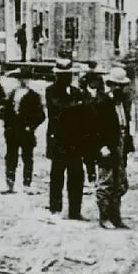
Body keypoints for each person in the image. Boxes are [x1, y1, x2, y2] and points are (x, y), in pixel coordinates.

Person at [91, 67, 133, 228]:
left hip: (120, 144)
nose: (119, 89)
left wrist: (127, 145)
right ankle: (104, 217)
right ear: (110, 85)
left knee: (119, 182)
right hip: (107, 146)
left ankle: (116, 216)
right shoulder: (102, 103)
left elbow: (125, 125)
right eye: (116, 85)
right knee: (106, 182)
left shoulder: (123, 103)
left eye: (121, 86)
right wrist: (102, 146)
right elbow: (96, 128)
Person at [45, 59, 87, 219]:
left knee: (76, 175)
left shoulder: (76, 92)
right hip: (59, 140)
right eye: (63, 75)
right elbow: (57, 110)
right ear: (57, 76)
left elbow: (82, 112)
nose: (66, 78)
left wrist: (74, 105)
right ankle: (55, 207)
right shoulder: (51, 91)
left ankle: (75, 211)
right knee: (57, 174)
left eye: (68, 75)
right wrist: (76, 105)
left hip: (75, 141)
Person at [2, 68, 45, 192]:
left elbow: (41, 116)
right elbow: (6, 112)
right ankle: (9, 183)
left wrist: (31, 126)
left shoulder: (34, 96)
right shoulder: (12, 93)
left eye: (26, 78)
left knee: (27, 158)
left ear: (29, 80)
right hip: (12, 131)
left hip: (26, 132)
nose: (23, 81)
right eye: (20, 79)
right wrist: (7, 125)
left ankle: (27, 184)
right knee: (11, 157)